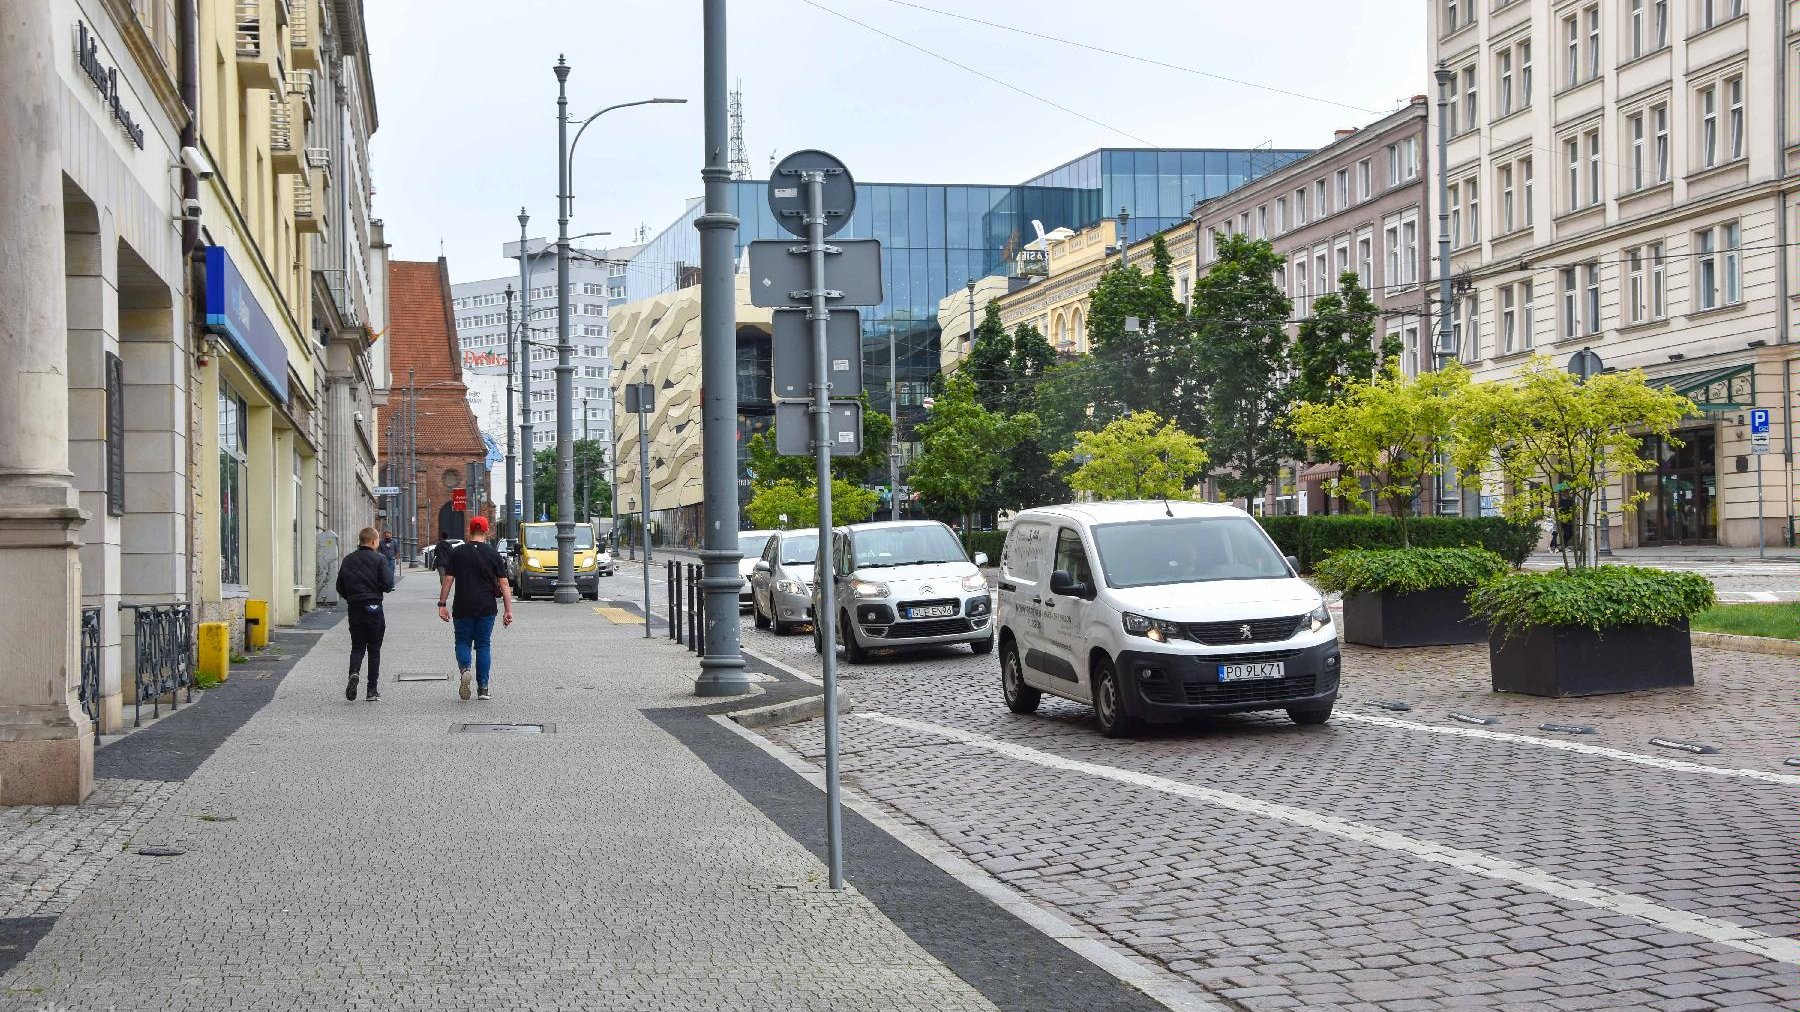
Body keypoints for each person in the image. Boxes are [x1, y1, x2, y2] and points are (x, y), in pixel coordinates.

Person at [439, 515, 513, 700]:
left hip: (462, 605)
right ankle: (483, 688)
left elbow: (448, 579)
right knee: (483, 645)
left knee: (463, 642)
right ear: (486, 531)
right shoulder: (493, 554)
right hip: (486, 606)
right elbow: (504, 584)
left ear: (469, 531)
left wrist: (442, 604)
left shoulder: (457, 553)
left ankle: (465, 669)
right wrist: (508, 610)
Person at [335, 526, 396, 701]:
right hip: (374, 607)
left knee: (357, 646)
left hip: (355, 607)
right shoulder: (379, 559)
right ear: (374, 541)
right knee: (374, 649)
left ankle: (353, 673)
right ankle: (371, 690)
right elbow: (388, 583)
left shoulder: (348, 560)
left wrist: (352, 597)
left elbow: (340, 586)